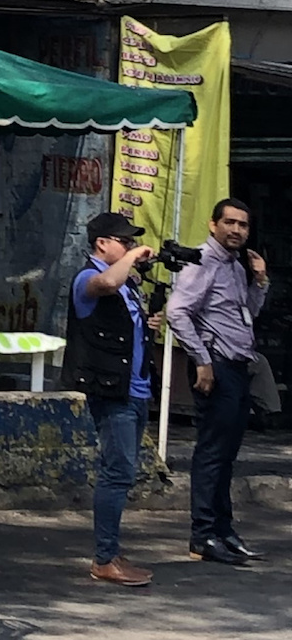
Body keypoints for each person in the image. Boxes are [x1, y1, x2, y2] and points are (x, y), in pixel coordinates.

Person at [166, 197, 271, 567]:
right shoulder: (202, 260)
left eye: (243, 225)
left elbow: (247, 315)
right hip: (218, 366)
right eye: (230, 223)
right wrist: (202, 361)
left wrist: (259, 280)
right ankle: (203, 534)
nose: (237, 231)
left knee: (227, 454)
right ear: (213, 225)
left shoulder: (234, 265)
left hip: (238, 366)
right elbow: (177, 312)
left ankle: (224, 531)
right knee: (211, 453)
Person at [63, 212, 159, 587]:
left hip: (134, 389)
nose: (131, 247)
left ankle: (111, 550)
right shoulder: (89, 277)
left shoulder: (126, 285)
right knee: (116, 472)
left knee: (124, 471)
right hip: (111, 391)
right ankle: (104, 558)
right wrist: (132, 260)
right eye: (125, 241)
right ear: (103, 243)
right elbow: (103, 283)